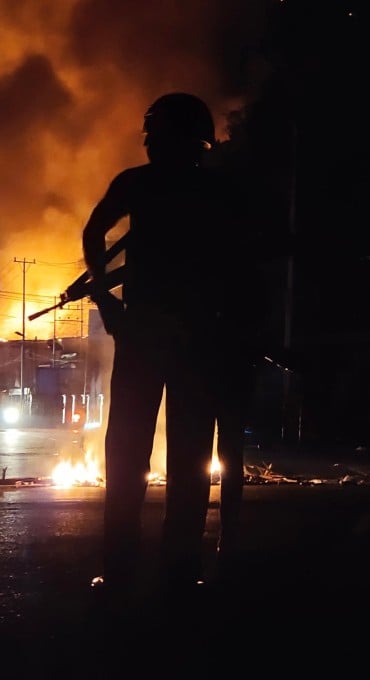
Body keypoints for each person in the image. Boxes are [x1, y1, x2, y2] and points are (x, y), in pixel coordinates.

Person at [82, 92, 264, 600]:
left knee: (127, 456)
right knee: (187, 461)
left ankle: (120, 569)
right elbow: (243, 268)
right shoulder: (218, 191)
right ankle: (180, 569)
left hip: (147, 334)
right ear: (201, 142)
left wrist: (105, 298)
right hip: (198, 341)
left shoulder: (137, 184)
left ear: (154, 138)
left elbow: (96, 231)